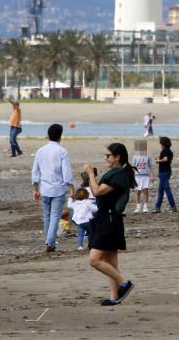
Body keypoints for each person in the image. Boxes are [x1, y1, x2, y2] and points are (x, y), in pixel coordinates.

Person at [84, 142, 135, 306]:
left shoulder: (118, 174)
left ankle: (124, 284)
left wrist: (91, 174)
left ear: (117, 157)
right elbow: (98, 190)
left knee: (94, 260)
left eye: (108, 155)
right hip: (110, 219)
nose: (106, 158)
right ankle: (115, 297)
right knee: (111, 263)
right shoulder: (117, 173)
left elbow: (97, 191)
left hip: (109, 220)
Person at [31, 123, 75, 252]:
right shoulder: (62, 151)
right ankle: (50, 241)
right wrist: (71, 188)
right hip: (58, 188)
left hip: (44, 188)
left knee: (47, 216)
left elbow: (35, 172)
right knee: (55, 215)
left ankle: (49, 240)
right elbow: (67, 173)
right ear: (60, 136)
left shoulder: (40, 151)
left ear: (48, 135)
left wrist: (35, 188)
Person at [153, 136, 176, 213]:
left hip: (164, 172)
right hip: (167, 171)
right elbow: (167, 159)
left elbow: (165, 159)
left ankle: (173, 206)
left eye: (161, 143)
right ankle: (158, 207)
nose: (160, 145)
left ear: (163, 144)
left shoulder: (164, 151)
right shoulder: (170, 151)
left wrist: (158, 161)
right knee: (161, 190)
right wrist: (158, 158)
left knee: (166, 189)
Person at [130, 140, 153, 213]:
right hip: (137, 176)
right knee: (138, 192)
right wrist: (132, 177)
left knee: (145, 191)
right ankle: (138, 207)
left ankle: (145, 206)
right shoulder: (135, 157)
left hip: (145, 176)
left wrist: (152, 175)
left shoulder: (148, 157)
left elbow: (150, 166)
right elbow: (133, 167)